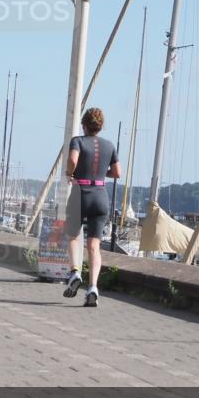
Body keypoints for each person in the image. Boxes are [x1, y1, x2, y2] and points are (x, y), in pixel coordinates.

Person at [62, 107, 121, 308]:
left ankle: (75, 272)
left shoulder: (77, 141)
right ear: (100, 126)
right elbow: (117, 172)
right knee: (94, 246)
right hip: (100, 196)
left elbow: (72, 159)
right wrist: (101, 173)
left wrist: (70, 173)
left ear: (84, 125)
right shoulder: (109, 145)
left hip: (81, 193)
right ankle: (93, 287)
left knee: (72, 235)